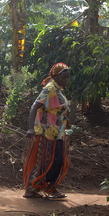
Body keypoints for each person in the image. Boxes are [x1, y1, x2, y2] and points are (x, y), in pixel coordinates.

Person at [23, 63, 70, 199]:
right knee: (42, 161)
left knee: (58, 161)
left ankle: (50, 188)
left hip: (58, 133)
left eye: (67, 78)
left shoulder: (59, 90)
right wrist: (31, 128)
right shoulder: (50, 89)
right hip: (45, 133)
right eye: (63, 77)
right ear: (56, 76)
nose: (66, 80)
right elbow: (34, 106)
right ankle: (31, 190)